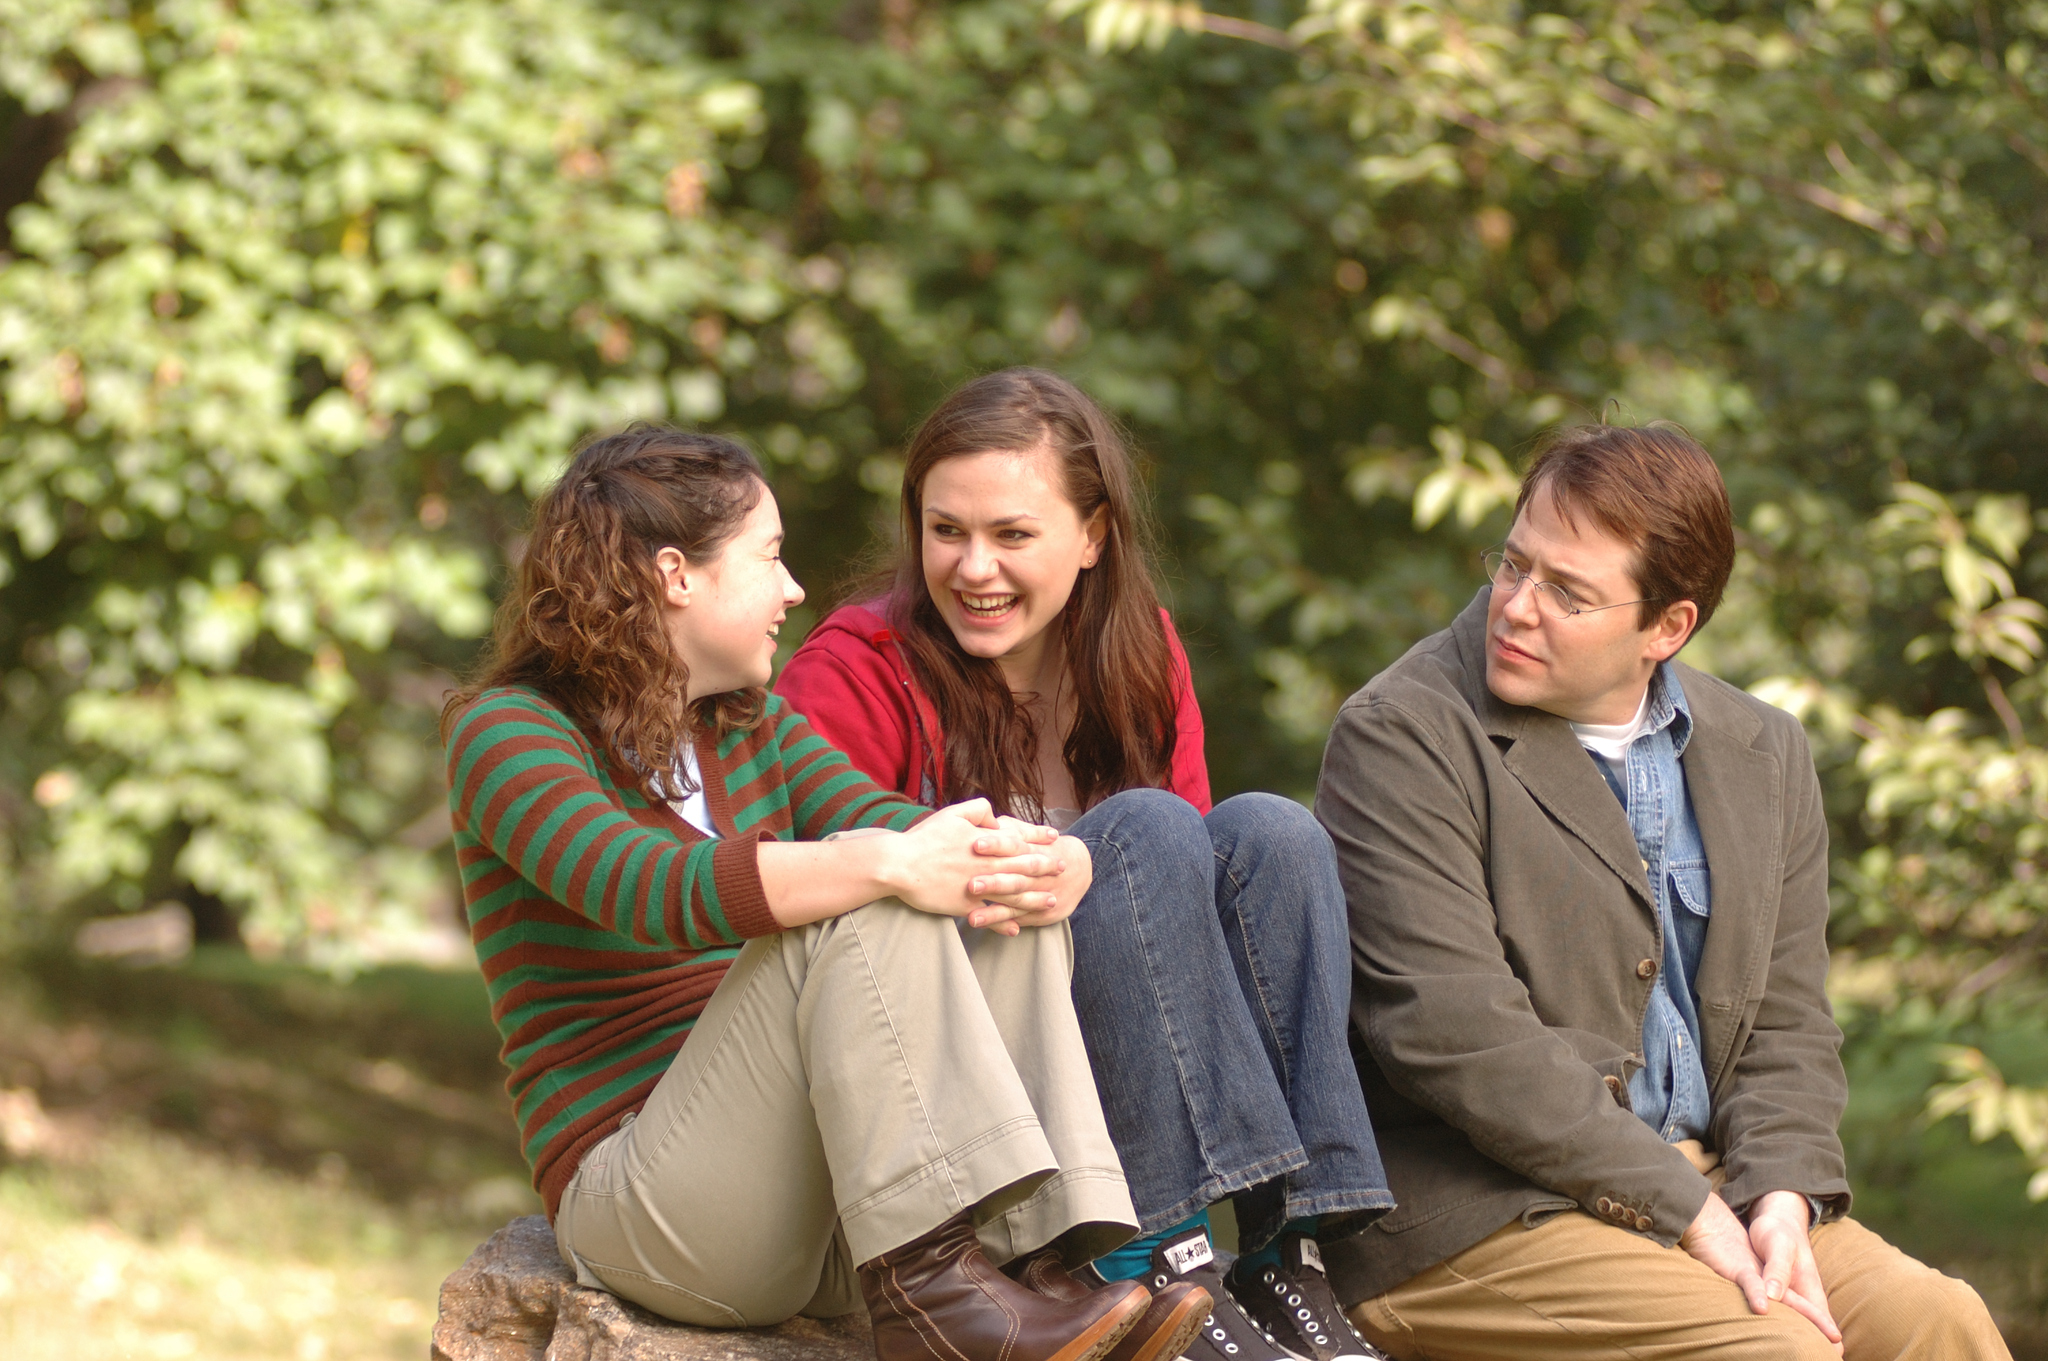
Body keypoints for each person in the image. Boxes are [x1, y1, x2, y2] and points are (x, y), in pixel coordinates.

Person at [439, 423, 1219, 1361]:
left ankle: (1057, 1255)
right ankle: (936, 1304)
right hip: (649, 1204)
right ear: (677, 575)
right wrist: (891, 863)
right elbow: (649, 887)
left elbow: (898, 820)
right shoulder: (505, 732)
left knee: (975, 893)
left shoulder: (752, 726)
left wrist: (1051, 861)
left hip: (810, 1213)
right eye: (771, 557)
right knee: (870, 888)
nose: (794, 590)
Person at [1313, 422, 2011, 1360]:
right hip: (1480, 1209)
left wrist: (1782, 1198)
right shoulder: (1402, 735)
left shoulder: (1766, 752)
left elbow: (1787, 1024)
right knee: (1781, 1354)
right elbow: (1454, 1036)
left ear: (1667, 626)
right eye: (1512, 565)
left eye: (1568, 591)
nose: (1516, 606)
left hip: (1717, 1182)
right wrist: (1685, 1210)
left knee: (1941, 1324)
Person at [777, 367, 1394, 1361]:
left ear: (1093, 534)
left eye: (1012, 534)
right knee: (1145, 827)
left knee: (1276, 835)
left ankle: (1286, 1252)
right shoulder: (853, 670)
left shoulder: (1136, 652)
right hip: (962, 1103)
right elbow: (828, 925)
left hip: (1112, 1069)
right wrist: (1064, 867)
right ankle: (1145, 1258)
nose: (974, 567)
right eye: (946, 531)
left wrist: (1096, 870)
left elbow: (1180, 918)